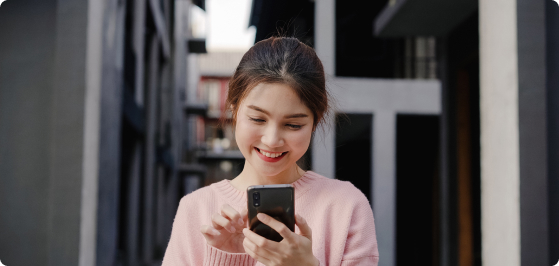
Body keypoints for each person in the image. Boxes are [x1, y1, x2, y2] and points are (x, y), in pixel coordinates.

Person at [162, 37, 379, 266]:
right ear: (234, 111)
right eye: (257, 119)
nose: (272, 140)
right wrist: (227, 258)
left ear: (315, 122)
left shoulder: (346, 205)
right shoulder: (196, 209)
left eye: (293, 125)